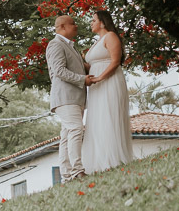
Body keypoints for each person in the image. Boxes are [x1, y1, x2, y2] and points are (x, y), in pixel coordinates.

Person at [45, 15, 98, 182]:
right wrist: (83, 79)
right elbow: (59, 71)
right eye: (73, 24)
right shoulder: (55, 44)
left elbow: (77, 67)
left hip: (75, 97)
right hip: (65, 97)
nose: (76, 26)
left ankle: (67, 175)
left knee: (67, 136)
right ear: (62, 27)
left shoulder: (71, 47)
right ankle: (77, 171)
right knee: (76, 130)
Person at [81, 10, 134, 173]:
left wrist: (100, 77)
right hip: (96, 86)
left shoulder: (110, 36)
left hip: (109, 81)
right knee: (97, 119)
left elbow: (115, 61)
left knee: (109, 116)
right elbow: (91, 65)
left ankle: (114, 158)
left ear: (102, 22)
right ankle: (99, 161)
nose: (91, 23)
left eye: (93, 20)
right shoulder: (96, 42)